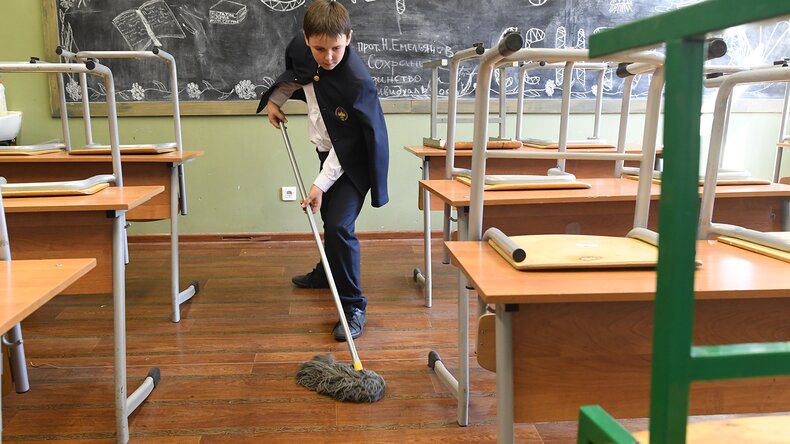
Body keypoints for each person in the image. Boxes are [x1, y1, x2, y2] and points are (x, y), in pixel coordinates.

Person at [257, 0, 389, 342]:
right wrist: (275, 100)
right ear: (306, 40)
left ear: (349, 38)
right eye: (319, 49)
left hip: (354, 161)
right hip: (328, 150)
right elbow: (299, 76)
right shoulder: (302, 50)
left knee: (339, 225)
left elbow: (350, 144)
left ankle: (354, 307)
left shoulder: (357, 82)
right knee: (329, 215)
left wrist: (318, 184)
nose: (328, 57)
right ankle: (325, 271)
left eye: (336, 49)